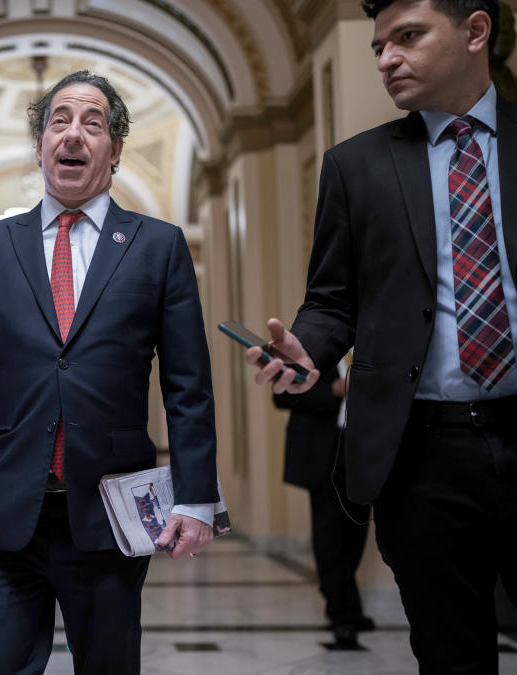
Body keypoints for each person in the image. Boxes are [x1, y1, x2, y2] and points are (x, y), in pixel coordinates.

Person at [245, 1, 517, 672]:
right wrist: (308, 344)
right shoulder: (355, 166)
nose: (387, 57)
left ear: (476, 31)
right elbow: (332, 299)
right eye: (377, 46)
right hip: (424, 454)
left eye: (408, 37)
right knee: (452, 652)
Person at [0, 70, 219, 675]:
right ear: (39, 147)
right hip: (4, 512)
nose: (74, 134)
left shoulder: (157, 247)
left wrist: (196, 498)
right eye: (59, 121)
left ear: (114, 150)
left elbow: (188, 386)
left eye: (93, 123)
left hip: (109, 517)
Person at [273, 364, 373, 647]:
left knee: (356, 529)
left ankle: (347, 604)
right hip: (323, 452)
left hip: (362, 449)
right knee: (329, 533)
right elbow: (281, 396)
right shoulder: (315, 347)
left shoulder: (368, 345)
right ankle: (342, 615)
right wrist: (333, 390)